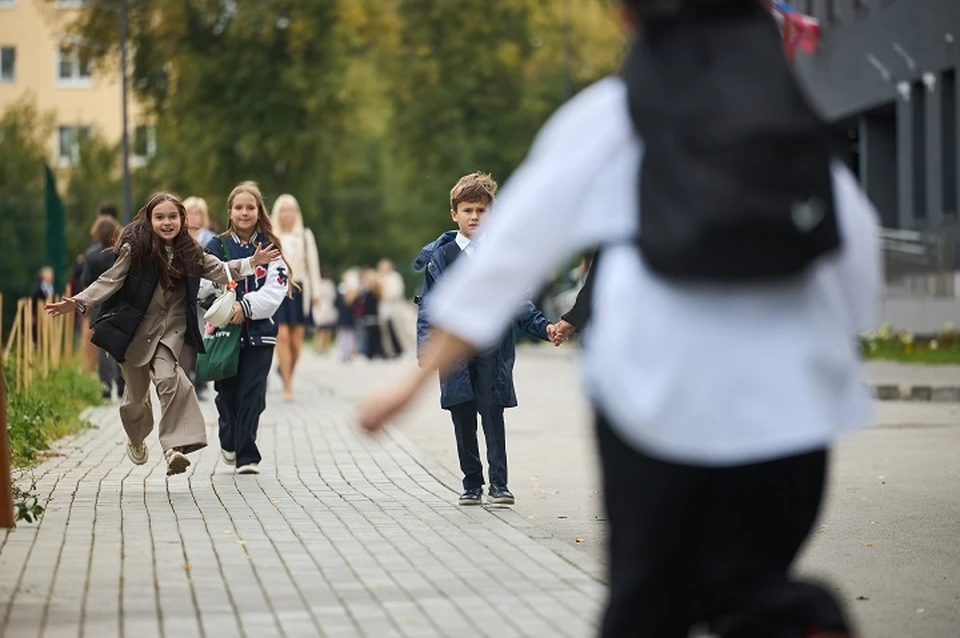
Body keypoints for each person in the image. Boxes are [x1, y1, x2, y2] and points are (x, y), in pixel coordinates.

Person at [359, 2, 881, 636]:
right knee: (753, 590)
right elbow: (858, 274)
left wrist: (410, 382)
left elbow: (505, 262)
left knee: (647, 597)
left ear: (631, 19)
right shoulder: (784, 112)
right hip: (791, 419)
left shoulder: (610, 116)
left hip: (656, 411)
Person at [46, 193, 280, 476]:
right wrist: (78, 301)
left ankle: (174, 448)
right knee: (136, 399)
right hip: (135, 331)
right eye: (159, 217)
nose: (166, 222)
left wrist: (251, 262)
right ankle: (136, 439)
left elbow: (220, 270)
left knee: (170, 379)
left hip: (170, 330)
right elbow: (110, 280)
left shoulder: (190, 252)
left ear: (182, 219)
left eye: (172, 217)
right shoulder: (136, 250)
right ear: (150, 220)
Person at [411, 171, 556, 507]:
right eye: (468, 210)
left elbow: (517, 301)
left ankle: (499, 485)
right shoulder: (440, 257)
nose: (475, 216)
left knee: (492, 413)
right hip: (452, 350)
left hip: (493, 346)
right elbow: (429, 306)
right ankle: (472, 484)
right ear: (454, 214)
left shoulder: (499, 253)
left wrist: (544, 328)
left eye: (481, 210)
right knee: (462, 415)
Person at [206, 182, 291, 475]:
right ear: (230, 211)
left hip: (260, 332)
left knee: (252, 393)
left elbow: (276, 288)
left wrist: (246, 307)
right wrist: (226, 308)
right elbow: (203, 284)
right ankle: (229, 437)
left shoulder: (270, 246)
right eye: (239, 207)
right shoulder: (215, 247)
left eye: (250, 208)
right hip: (224, 333)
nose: (244, 213)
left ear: (259, 212)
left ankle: (247, 455)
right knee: (227, 393)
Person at [270, 194, 323, 401]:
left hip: (300, 290)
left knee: (296, 342)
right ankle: (287, 385)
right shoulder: (271, 235)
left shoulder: (305, 236)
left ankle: (287, 372)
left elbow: (313, 265)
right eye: (283, 210)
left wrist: (317, 294)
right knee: (281, 336)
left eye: (290, 210)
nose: (286, 214)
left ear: (296, 213)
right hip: (278, 289)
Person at [81, 214, 125, 399]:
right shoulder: (120, 252)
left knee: (101, 345)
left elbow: (85, 280)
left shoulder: (90, 255)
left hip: (98, 304)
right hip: (119, 302)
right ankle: (122, 382)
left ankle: (105, 384)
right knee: (121, 343)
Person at [180, 196, 217, 399]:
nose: (194, 216)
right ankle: (186, 380)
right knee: (184, 337)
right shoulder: (178, 238)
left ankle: (201, 380)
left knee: (203, 336)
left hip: (205, 296)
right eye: (191, 213)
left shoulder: (212, 239)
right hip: (183, 295)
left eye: (198, 213)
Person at [377, 259, 407, 358]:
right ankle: (389, 351)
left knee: (400, 329)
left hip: (395, 306)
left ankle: (404, 349)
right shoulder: (380, 277)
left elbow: (396, 292)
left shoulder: (395, 277)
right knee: (385, 331)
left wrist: (385, 294)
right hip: (384, 307)